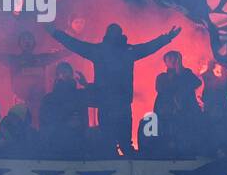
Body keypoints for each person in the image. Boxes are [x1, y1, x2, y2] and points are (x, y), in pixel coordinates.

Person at [48, 23, 180, 156]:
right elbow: (148, 47)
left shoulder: (101, 51)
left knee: (109, 145)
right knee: (125, 145)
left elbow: (75, 44)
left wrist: (55, 33)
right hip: (120, 104)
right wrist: (167, 38)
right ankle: (133, 173)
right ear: (121, 35)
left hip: (107, 104)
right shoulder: (127, 51)